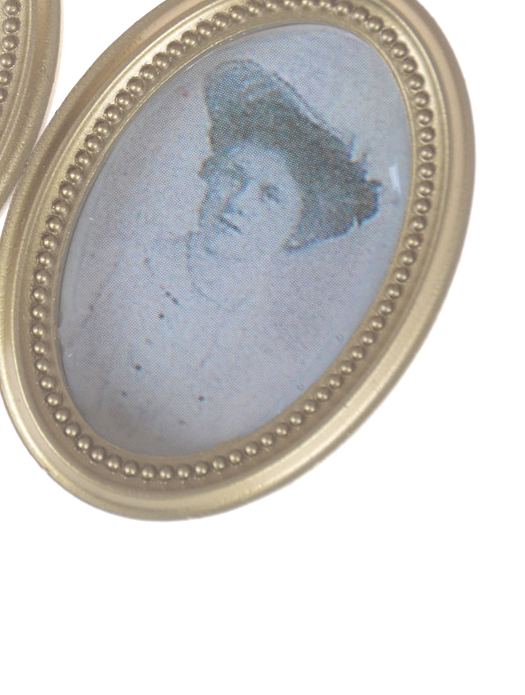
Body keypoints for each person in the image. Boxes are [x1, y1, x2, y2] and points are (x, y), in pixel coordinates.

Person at [61, 59, 381, 456]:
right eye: (234, 175)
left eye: (270, 195)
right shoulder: (131, 264)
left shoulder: (265, 352)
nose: (239, 202)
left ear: (299, 227)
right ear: (210, 173)